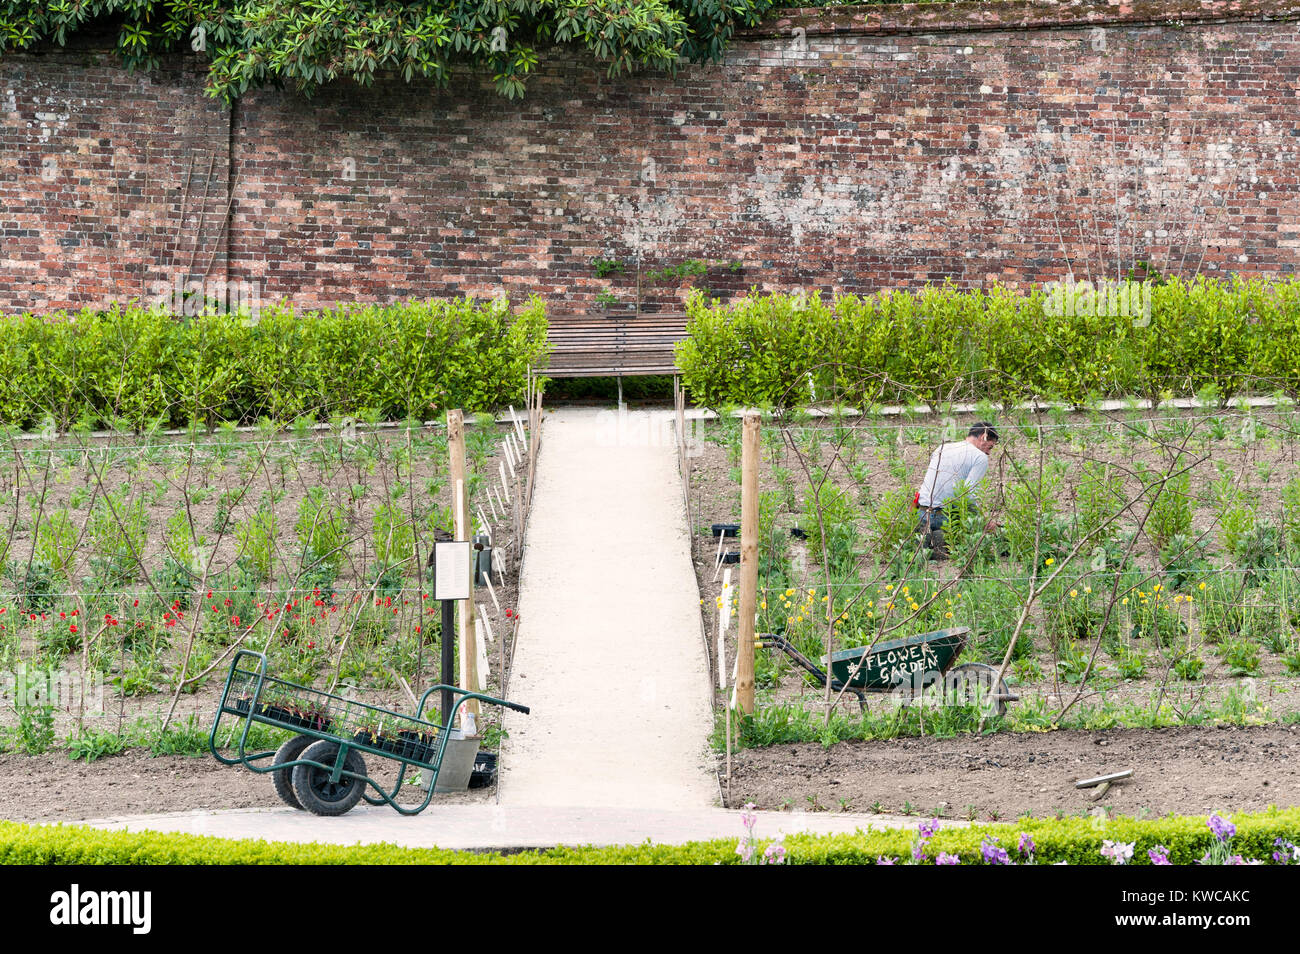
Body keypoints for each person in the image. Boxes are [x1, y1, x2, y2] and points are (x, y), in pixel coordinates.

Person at [914, 422, 999, 559]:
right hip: (947, 517)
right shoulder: (979, 457)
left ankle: (928, 537)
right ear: (983, 437)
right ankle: (942, 539)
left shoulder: (942, 448)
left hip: (921, 514)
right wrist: (984, 522)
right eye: (990, 447)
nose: (989, 453)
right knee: (971, 543)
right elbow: (969, 495)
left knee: (920, 557)